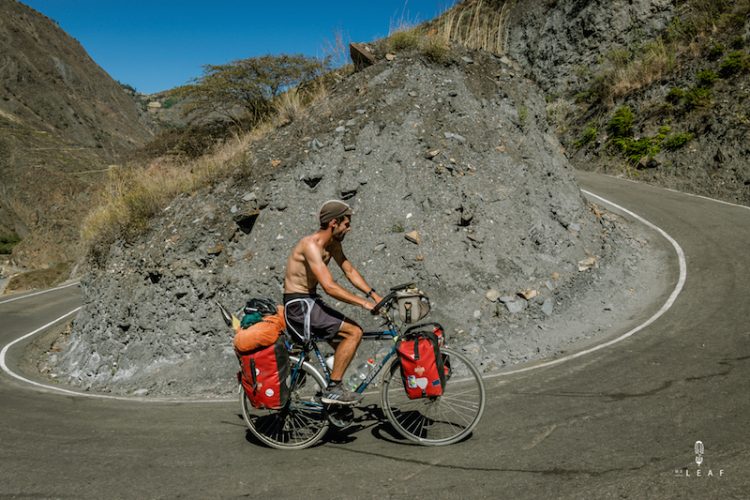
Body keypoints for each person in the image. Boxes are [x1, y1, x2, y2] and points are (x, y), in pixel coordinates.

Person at [283, 200, 382, 405]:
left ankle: (329, 390)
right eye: (347, 223)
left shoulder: (333, 244)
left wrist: (374, 295)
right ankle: (333, 389)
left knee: (343, 347)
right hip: (299, 305)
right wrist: (364, 304)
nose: (349, 227)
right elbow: (329, 286)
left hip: (310, 301)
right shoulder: (310, 245)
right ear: (334, 223)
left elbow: (349, 271)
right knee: (354, 332)